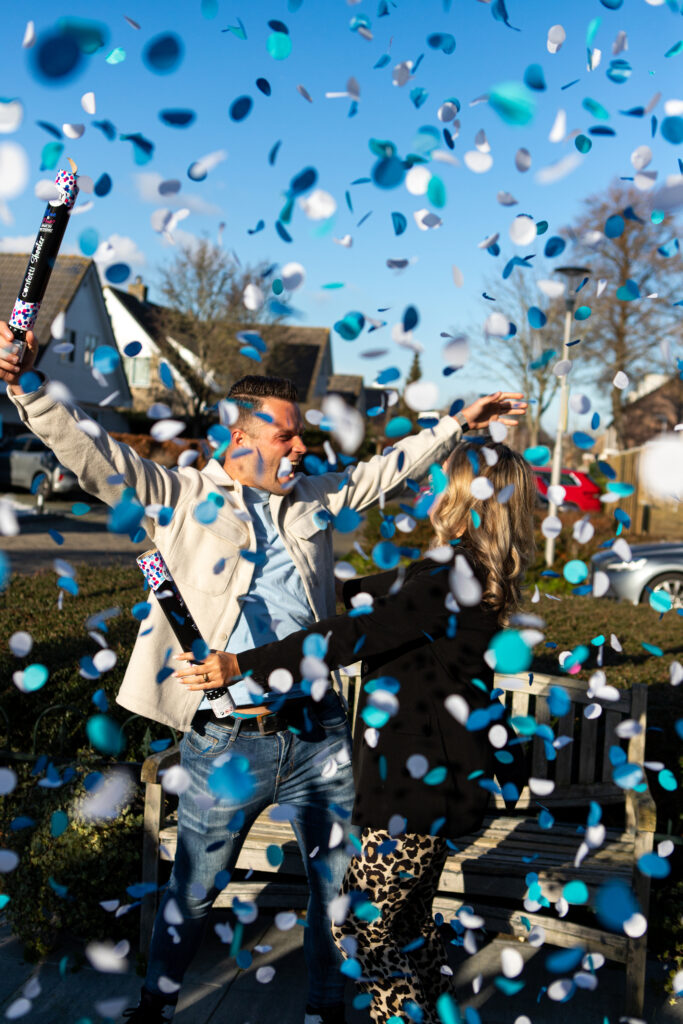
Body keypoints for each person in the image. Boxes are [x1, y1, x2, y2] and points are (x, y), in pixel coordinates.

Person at [0, 323, 526, 1024]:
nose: (303, 447)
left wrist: (456, 423)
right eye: (288, 435)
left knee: (336, 894)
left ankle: (324, 1008)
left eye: (303, 435)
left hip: (320, 737)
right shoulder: (176, 495)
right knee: (193, 890)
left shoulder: (312, 497)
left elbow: (382, 471)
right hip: (227, 743)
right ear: (239, 437)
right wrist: (26, 387)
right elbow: (91, 453)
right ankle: (154, 1008)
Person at [178, 441, 536, 1024]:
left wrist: (243, 663)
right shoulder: (454, 572)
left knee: (366, 926)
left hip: (413, 798)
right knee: (409, 926)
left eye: (444, 482)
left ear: (471, 499)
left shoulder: (448, 578)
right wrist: (286, 562)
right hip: (441, 787)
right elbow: (358, 596)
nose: (432, 492)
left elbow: (347, 635)